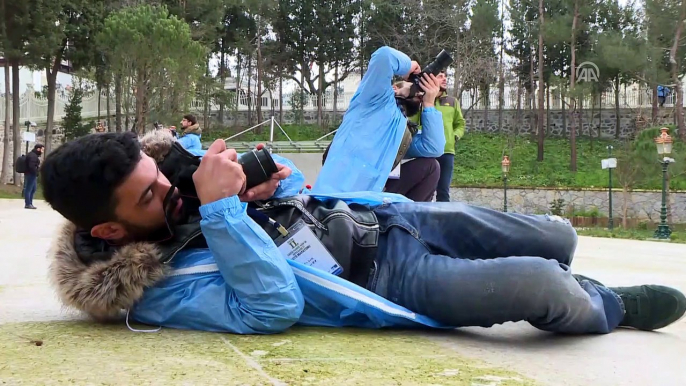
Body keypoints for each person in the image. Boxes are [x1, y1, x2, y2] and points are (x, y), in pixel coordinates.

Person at [40, 131, 685, 335]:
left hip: (381, 218)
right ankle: (613, 304)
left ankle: (579, 277)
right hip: (379, 276)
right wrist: (221, 213)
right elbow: (272, 305)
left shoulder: (178, 177)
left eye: (159, 174)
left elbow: (291, 203)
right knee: (544, 282)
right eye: (149, 195)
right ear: (109, 228)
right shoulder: (149, 294)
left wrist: (265, 188)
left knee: (557, 237)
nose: (170, 190)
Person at [313, 46, 446, 195]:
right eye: (414, 85)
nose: (418, 91)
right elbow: (384, 56)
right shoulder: (374, 97)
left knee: (430, 167)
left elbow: (434, 147)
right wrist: (409, 66)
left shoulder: (402, 133)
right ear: (394, 88)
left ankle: (404, 218)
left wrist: (428, 104)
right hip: (336, 191)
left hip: (371, 196)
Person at [407, 71, 465, 202]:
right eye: (440, 76)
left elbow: (460, 124)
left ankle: (444, 221)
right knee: (426, 189)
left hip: (447, 151)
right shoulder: (420, 100)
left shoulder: (452, 101)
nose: (444, 79)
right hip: (427, 152)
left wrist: (454, 136)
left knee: (443, 191)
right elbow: (412, 122)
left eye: (446, 77)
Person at [24, 144, 44, 210]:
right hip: (31, 174)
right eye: (42, 149)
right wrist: (36, 171)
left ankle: (30, 203)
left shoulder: (34, 155)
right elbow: (31, 166)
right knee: (28, 189)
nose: (42, 151)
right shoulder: (32, 156)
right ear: (38, 149)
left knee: (33, 189)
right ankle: (28, 204)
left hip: (32, 174)